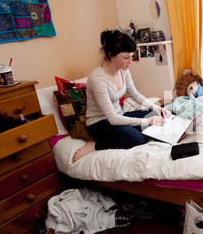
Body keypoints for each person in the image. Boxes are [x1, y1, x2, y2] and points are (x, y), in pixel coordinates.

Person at [72, 29, 171, 163]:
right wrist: (146, 122)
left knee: (156, 115)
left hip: (119, 116)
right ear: (111, 55)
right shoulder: (97, 79)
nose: (131, 61)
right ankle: (95, 145)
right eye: (126, 57)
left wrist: (156, 108)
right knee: (138, 139)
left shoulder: (123, 70)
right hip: (100, 124)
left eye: (132, 56)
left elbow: (134, 94)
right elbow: (112, 118)